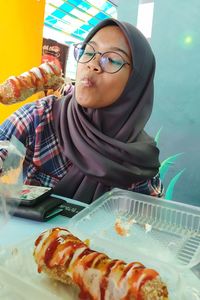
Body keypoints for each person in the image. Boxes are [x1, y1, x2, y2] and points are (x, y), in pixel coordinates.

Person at [0, 18, 163, 204]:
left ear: (135, 83)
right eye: (88, 51)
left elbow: (145, 228)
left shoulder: (139, 162)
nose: (92, 64)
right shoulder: (39, 119)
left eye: (112, 60)